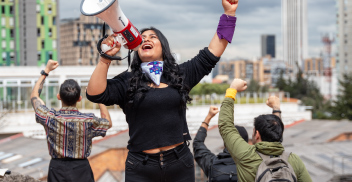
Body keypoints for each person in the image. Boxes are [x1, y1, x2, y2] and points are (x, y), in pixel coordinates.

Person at [86, 0, 239, 181]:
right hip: (140, 167)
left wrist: (229, 14)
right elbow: (95, 93)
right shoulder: (127, 80)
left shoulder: (180, 74)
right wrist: (105, 59)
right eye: (142, 38)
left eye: (153, 37)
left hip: (179, 163)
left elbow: (214, 51)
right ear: (136, 49)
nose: (146, 39)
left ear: (163, 47)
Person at [30, 60, 112, 182]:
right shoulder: (88, 121)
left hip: (57, 169)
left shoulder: (50, 117)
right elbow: (108, 123)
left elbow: (34, 97)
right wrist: (98, 99)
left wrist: (46, 71)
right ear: (79, 99)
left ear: (59, 96)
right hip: (81, 170)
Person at [218, 78, 312, 182]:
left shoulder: (246, 156)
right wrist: (276, 108)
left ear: (257, 134)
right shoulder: (293, 160)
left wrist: (232, 89)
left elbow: (226, 125)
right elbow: (276, 136)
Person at [193, 106, 248, 181]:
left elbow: (197, 143)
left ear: (225, 143)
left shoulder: (211, 164)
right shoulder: (255, 165)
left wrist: (208, 117)